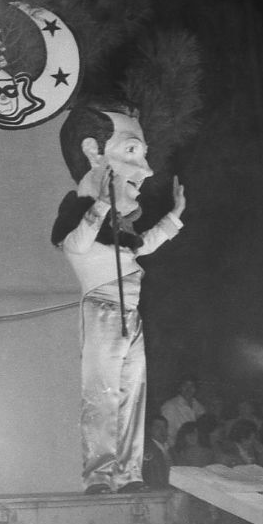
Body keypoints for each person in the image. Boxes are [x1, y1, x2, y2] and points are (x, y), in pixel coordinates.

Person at [50, 99, 186, 494]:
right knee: (102, 395)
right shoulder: (77, 213)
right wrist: (101, 205)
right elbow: (75, 246)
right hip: (101, 311)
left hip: (130, 315)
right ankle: (98, 475)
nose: (147, 169)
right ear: (92, 151)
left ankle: (128, 475)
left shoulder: (119, 227)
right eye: (131, 150)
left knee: (131, 395)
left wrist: (175, 216)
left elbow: (141, 246)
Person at [160, 379, 204, 443]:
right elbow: (167, 434)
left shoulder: (200, 407)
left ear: (196, 389)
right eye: (185, 385)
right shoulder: (170, 406)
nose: (188, 389)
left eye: (192, 386)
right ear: (179, 388)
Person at [141, 415, 171, 489]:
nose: (162, 431)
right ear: (150, 429)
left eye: (164, 427)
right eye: (158, 427)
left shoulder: (171, 449)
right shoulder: (146, 449)